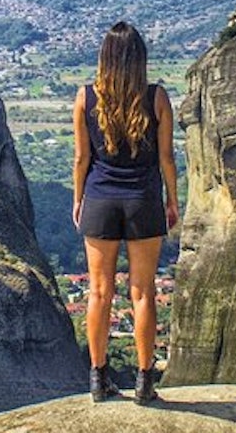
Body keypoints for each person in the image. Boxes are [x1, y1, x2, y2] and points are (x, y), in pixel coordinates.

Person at [72, 21, 180, 404]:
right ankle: (145, 380)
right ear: (139, 59)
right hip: (143, 200)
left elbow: (83, 157)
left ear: (105, 57)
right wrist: (172, 200)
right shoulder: (157, 98)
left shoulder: (86, 97)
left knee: (98, 292)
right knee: (143, 292)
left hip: (99, 199)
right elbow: (166, 158)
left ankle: (98, 380)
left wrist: (79, 198)